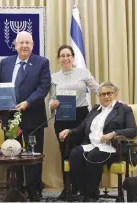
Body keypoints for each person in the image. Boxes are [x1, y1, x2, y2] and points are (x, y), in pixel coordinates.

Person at [0, 31, 51, 201]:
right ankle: (16, 189)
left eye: (28, 43)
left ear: (33, 45)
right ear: (15, 45)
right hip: (11, 118)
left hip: (33, 115)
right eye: (21, 43)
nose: (25, 46)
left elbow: (43, 87)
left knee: (33, 154)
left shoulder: (42, 62)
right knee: (13, 152)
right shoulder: (5, 63)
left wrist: (27, 102)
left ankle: (34, 190)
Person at [59, 81, 137, 202]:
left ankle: (91, 196)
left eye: (109, 93)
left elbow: (133, 130)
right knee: (75, 154)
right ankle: (85, 192)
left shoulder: (124, 109)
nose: (106, 96)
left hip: (111, 147)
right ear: (99, 96)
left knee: (94, 155)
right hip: (90, 144)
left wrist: (113, 134)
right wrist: (68, 130)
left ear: (115, 94)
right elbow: (81, 127)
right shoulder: (95, 109)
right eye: (102, 94)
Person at [48, 44, 99, 198]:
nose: (65, 58)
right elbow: (51, 98)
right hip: (63, 118)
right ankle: (67, 187)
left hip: (82, 117)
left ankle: (85, 187)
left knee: (83, 152)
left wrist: (112, 100)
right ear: (59, 59)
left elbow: (97, 89)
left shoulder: (83, 73)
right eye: (62, 56)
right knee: (65, 153)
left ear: (73, 57)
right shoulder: (54, 77)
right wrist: (52, 104)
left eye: (68, 55)